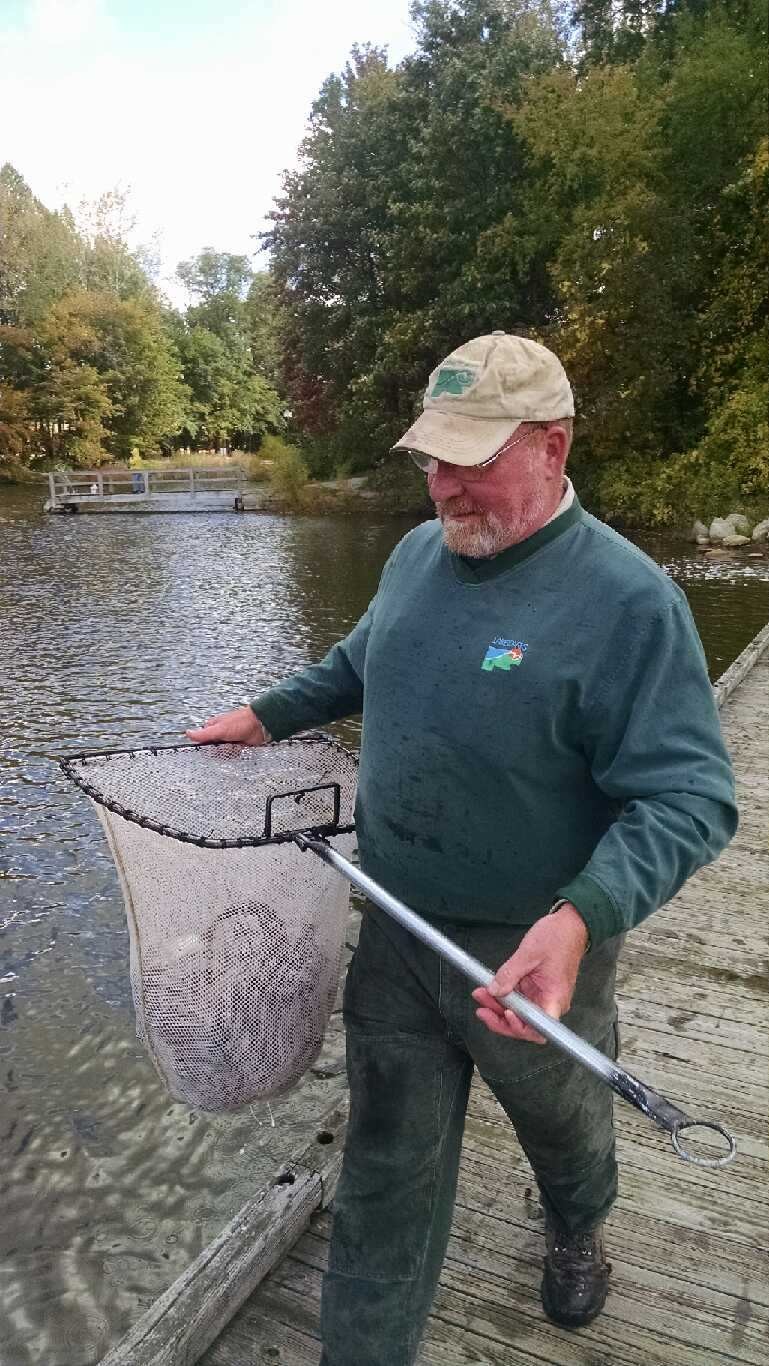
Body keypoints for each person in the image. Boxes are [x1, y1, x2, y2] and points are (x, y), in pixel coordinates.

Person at [186, 332, 737, 1364]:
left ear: (551, 445)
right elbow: (361, 660)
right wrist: (264, 713)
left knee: (563, 1126)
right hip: (393, 929)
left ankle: (578, 1226)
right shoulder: (414, 553)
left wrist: (580, 920)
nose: (443, 485)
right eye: (433, 458)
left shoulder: (627, 604)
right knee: (384, 1168)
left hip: (531, 951)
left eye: (470, 459)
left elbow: (691, 798)